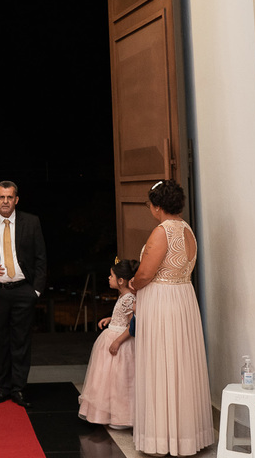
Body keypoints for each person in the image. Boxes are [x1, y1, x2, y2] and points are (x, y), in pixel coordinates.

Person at [128, 179, 214, 456]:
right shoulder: (187, 230)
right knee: (181, 364)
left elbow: (145, 273)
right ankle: (187, 436)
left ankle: (161, 439)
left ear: (156, 206)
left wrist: (132, 284)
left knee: (161, 362)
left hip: (162, 302)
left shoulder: (162, 231)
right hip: (183, 298)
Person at [0, 180, 47, 408]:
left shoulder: (31, 222)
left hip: (24, 290)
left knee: (21, 342)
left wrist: (36, 291)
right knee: (1, 343)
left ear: (16, 199)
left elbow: (41, 258)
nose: (5, 201)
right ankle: (3, 388)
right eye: (1, 197)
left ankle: (19, 389)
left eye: (9, 197)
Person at [77, 257, 139, 427]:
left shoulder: (129, 299)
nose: (108, 278)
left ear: (121, 280)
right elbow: (124, 317)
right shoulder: (124, 297)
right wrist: (111, 318)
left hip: (120, 342)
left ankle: (123, 416)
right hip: (112, 334)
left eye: (111, 276)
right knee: (109, 380)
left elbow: (132, 324)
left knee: (120, 379)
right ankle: (110, 413)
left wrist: (118, 341)